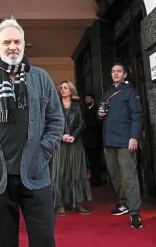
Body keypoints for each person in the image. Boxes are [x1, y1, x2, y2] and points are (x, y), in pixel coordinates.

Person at [0, 17, 64, 247]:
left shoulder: (41, 78)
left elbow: (56, 120)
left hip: (36, 175)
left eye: (17, 41)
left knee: (44, 239)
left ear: (23, 43)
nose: (12, 46)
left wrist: (44, 152)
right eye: (6, 42)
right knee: (5, 241)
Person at [98, 63, 143, 229]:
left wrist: (134, 137)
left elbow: (137, 116)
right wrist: (100, 114)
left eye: (119, 71)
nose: (115, 74)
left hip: (125, 140)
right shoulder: (108, 93)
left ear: (125, 75)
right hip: (109, 140)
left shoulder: (131, 92)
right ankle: (123, 202)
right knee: (114, 175)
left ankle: (134, 212)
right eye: (113, 71)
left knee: (129, 176)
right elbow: (102, 112)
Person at [51, 81, 92, 217]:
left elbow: (81, 123)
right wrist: (61, 135)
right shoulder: (55, 105)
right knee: (60, 173)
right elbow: (52, 122)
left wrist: (73, 136)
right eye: (61, 88)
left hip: (75, 144)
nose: (62, 90)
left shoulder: (77, 106)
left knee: (76, 172)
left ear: (71, 90)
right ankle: (60, 204)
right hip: (60, 143)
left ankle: (78, 203)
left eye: (65, 88)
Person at [82, 93, 103, 186]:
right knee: (91, 160)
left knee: (96, 160)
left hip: (96, 139)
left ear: (93, 100)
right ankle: (93, 177)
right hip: (88, 140)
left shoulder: (96, 109)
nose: (87, 99)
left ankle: (97, 179)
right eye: (86, 98)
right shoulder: (84, 110)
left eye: (88, 98)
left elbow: (98, 123)